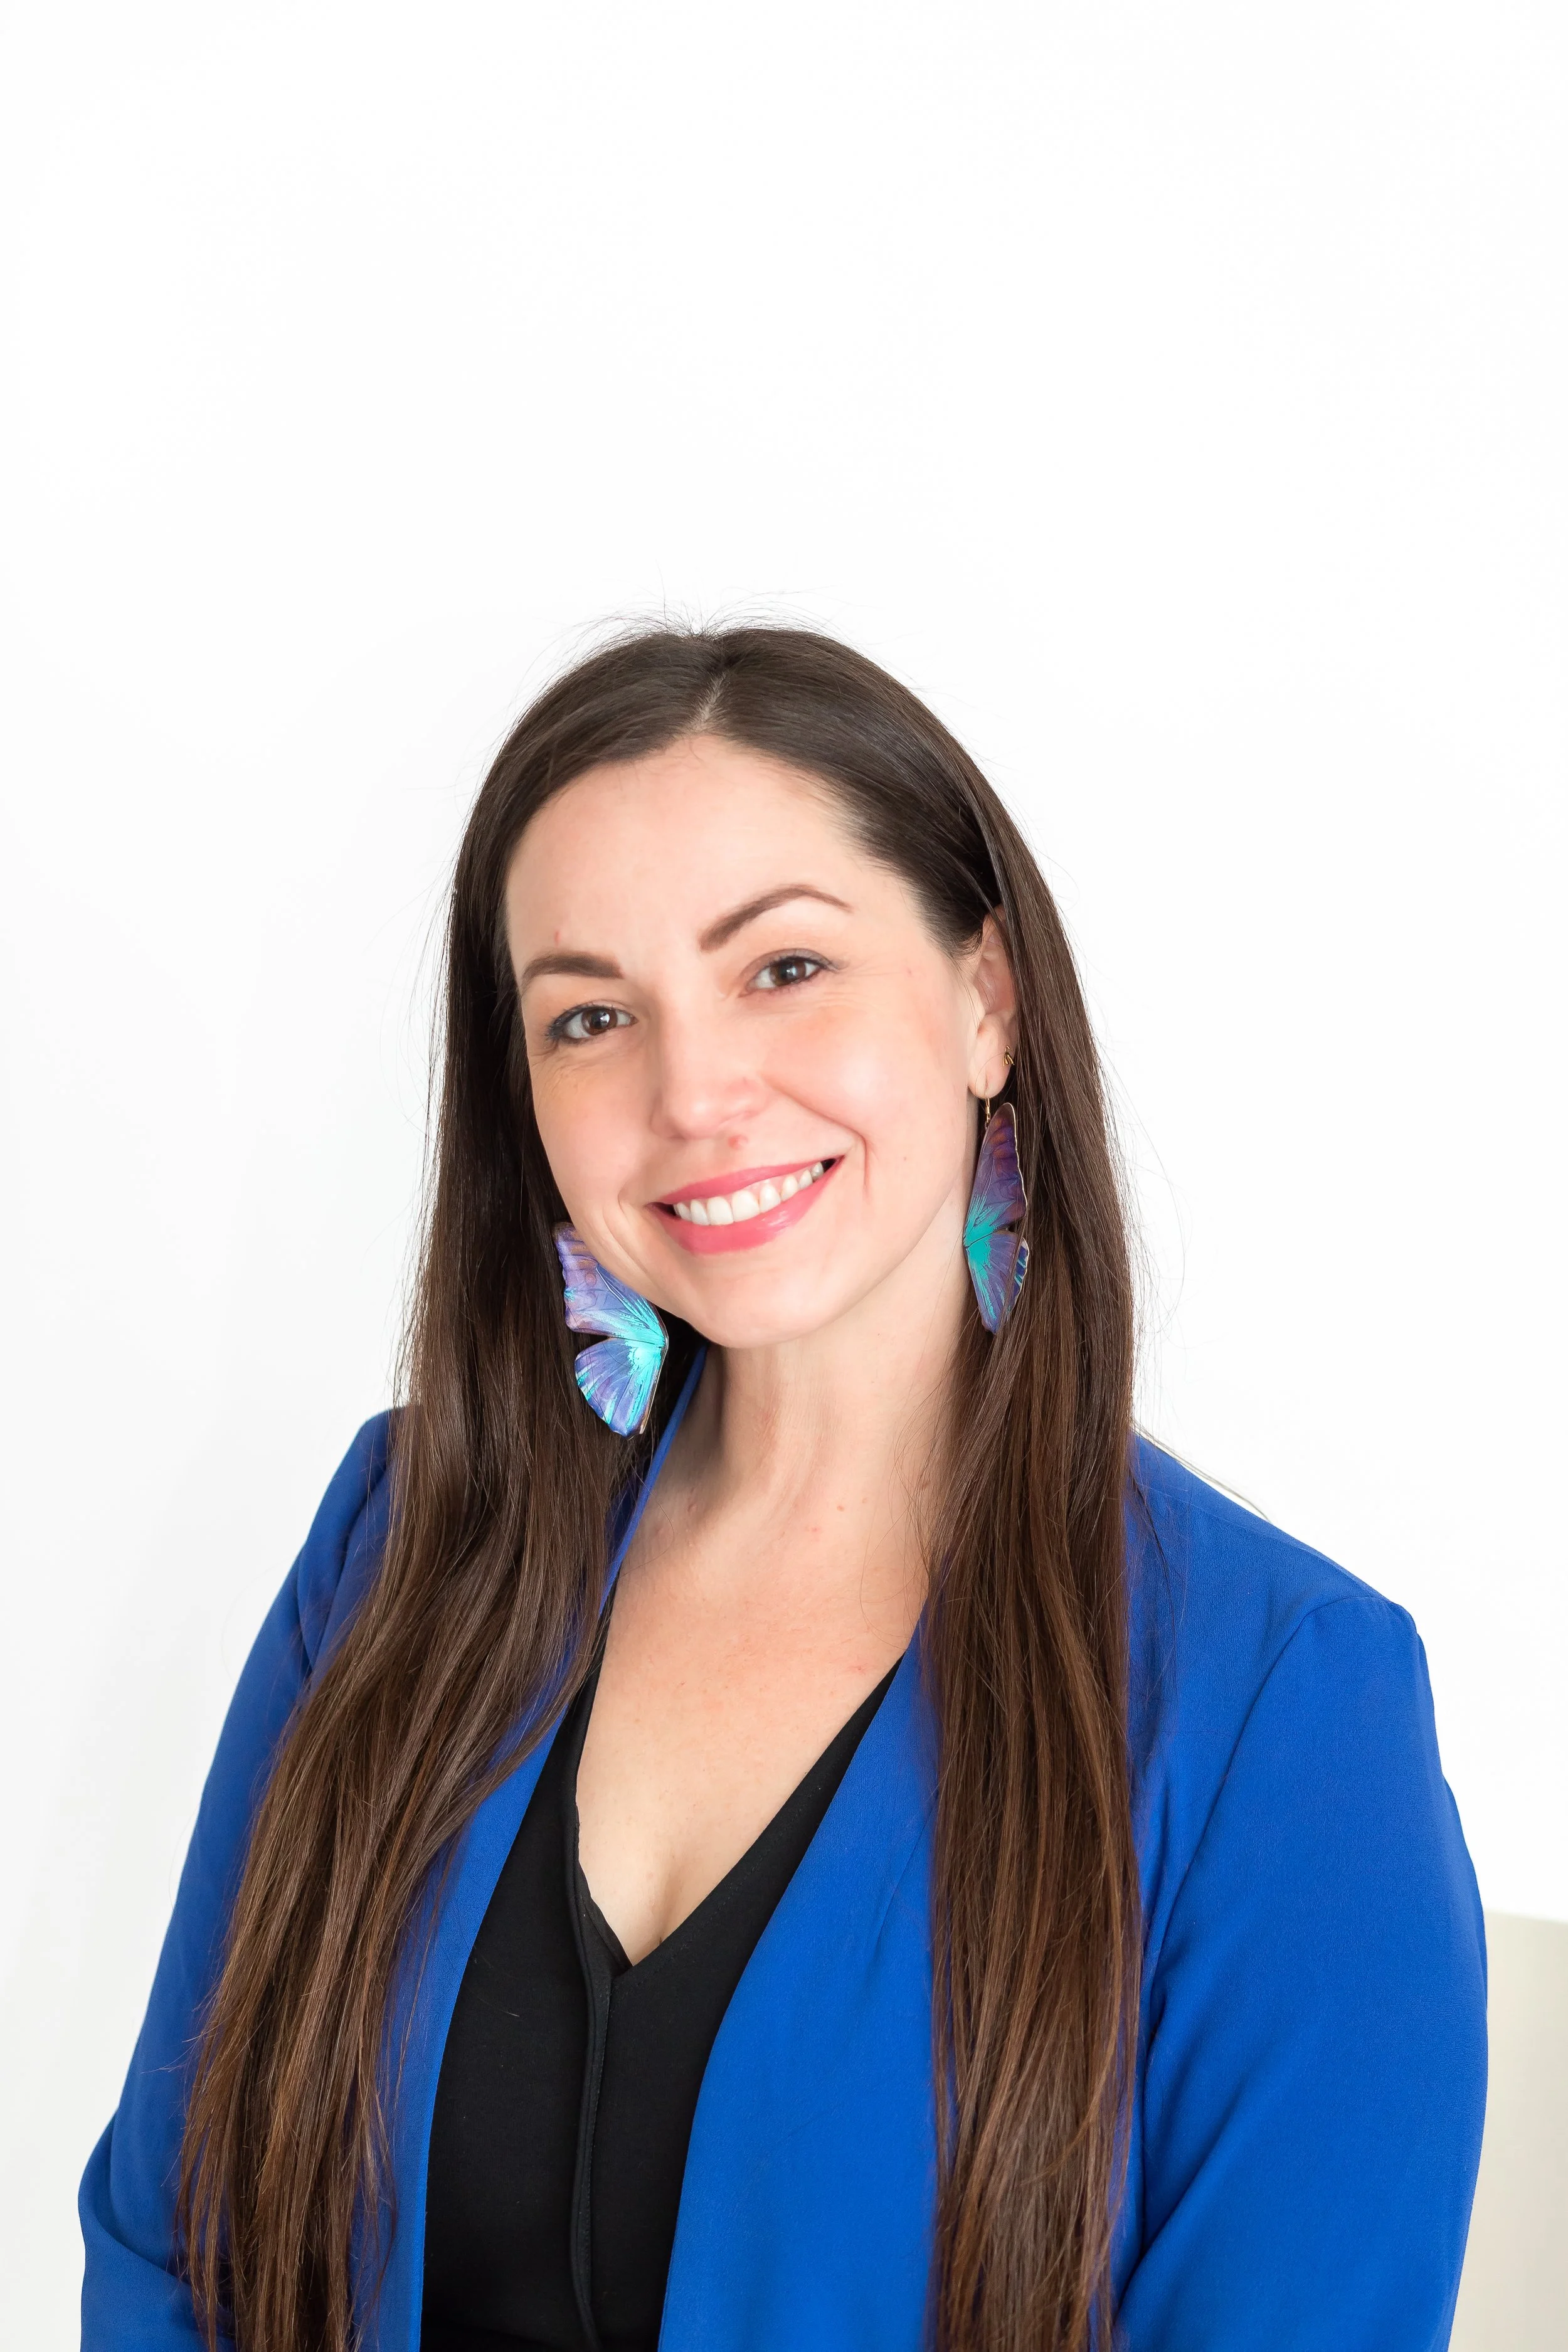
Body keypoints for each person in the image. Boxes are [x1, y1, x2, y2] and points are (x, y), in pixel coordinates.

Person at [80, 626, 1486, 2352]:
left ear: (986, 1001)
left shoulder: (1286, 1710)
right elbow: (169, 2243)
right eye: (592, 1015)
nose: (692, 1094)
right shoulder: (404, 1537)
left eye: (785, 967)